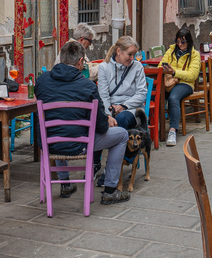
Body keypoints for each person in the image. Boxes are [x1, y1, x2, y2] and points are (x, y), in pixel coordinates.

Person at [34, 39, 131, 205]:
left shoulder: (42, 81)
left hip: (48, 143)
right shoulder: (87, 86)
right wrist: (107, 118)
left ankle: (65, 183)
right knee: (122, 135)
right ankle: (110, 190)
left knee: (58, 128)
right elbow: (101, 126)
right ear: (80, 62)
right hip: (80, 145)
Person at [95, 36, 148, 130]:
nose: (132, 58)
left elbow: (142, 93)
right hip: (111, 109)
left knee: (121, 119)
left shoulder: (137, 67)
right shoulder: (104, 67)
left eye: (134, 55)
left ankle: (119, 144)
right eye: (130, 54)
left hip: (132, 109)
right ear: (119, 51)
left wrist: (123, 106)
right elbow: (103, 95)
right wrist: (108, 115)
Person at [161, 27, 201, 146]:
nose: (180, 44)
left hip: (185, 84)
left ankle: (172, 131)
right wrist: (165, 70)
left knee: (173, 98)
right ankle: (152, 128)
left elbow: (192, 75)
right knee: (155, 94)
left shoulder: (194, 54)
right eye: (178, 41)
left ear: (188, 41)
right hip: (169, 82)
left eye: (183, 42)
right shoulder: (171, 51)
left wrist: (175, 72)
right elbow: (161, 65)